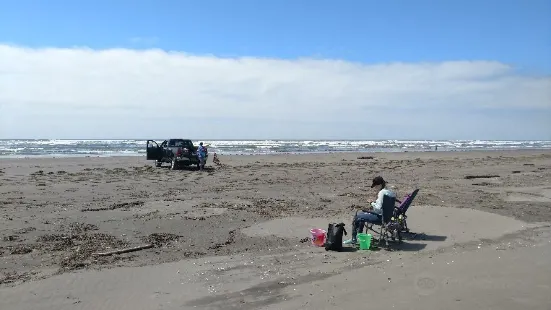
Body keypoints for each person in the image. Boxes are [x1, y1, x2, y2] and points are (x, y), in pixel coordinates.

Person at [345, 176, 396, 245]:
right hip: (388, 218)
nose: (375, 188)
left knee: (357, 216)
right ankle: (359, 236)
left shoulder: (381, 193)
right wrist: (375, 202)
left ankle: (354, 238)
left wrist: (371, 203)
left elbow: (378, 209)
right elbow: (384, 205)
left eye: (376, 186)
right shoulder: (390, 192)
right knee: (362, 214)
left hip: (380, 218)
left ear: (380, 185)